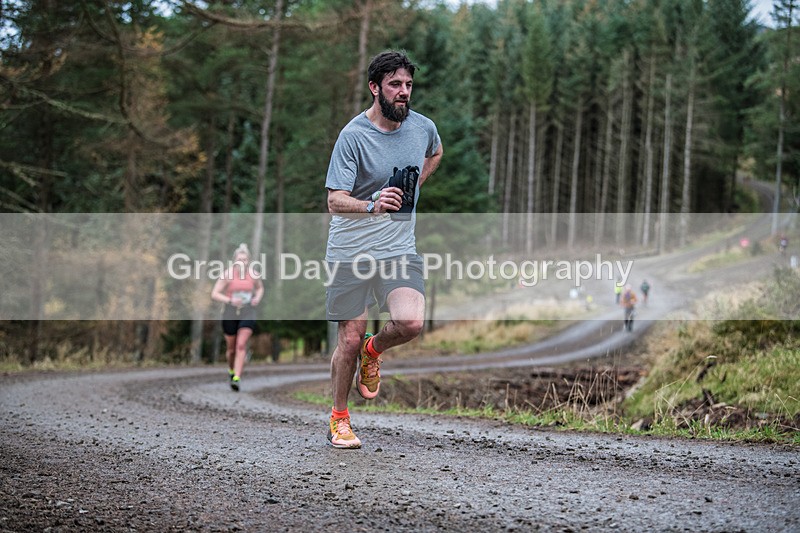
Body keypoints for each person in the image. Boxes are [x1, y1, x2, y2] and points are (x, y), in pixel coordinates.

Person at [324, 50, 443, 448]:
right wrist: (372, 205)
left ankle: (374, 350)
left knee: (410, 323)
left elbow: (436, 152)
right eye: (395, 85)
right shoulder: (353, 136)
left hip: (398, 248)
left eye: (408, 84)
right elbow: (334, 200)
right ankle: (340, 418)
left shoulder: (423, 128)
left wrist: (416, 184)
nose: (403, 92)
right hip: (350, 251)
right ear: (375, 88)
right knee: (349, 339)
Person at [211, 243, 264, 391]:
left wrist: (257, 298)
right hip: (230, 312)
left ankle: (237, 378)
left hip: (248, 311)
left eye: (245, 260)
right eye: (239, 260)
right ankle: (231, 370)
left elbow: (260, 288)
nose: (242, 262)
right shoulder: (227, 275)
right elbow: (214, 293)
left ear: (249, 261)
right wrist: (230, 300)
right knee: (231, 349)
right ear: (234, 261)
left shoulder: (253, 274)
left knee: (241, 345)